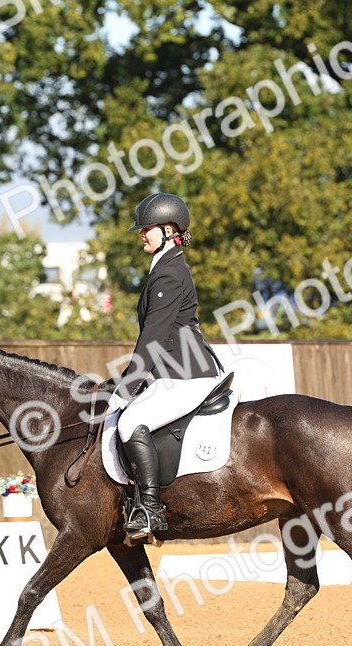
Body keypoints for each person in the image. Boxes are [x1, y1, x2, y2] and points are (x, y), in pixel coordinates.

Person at [109, 192, 224, 541]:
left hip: (187, 373)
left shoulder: (170, 272)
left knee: (129, 421)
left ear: (170, 230)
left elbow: (155, 336)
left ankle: (150, 510)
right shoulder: (164, 267)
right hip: (174, 371)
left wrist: (128, 384)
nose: (142, 234)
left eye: (147, 229)